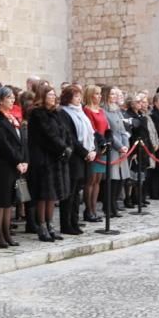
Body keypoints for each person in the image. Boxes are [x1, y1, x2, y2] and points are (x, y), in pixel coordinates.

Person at [27, 83, 70, 242]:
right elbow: (48, 135)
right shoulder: (37, 114)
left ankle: (51, 225)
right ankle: (42, 226)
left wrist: (67, 146)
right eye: (49, 95)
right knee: (43, 195)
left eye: (54, 94)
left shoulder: (56, 113)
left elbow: (64, 132)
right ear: (43, 97)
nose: (53, 97)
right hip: (42, 158)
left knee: (52, 195)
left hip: (55, 158)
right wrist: (62, 147)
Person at [0, 87, 26, 248]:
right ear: (0, 100)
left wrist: (24, 160)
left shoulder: (12, 117)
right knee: (0, 201)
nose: (12, 100)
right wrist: (17, 160)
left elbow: (21, 142)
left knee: (9, 201)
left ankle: (7, 232)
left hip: (14, 164)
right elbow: (3, 144)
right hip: (2, 165)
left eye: (13, 97)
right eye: (9, 98)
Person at [59, 85, 95, 234]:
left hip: (85, 156)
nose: (79, 98)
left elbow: (90, 132)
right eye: (75, 96)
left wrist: (93, 150)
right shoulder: (64, 113)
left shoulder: (81, 112)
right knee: (70, 192)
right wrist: (85, 152)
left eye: (79, 95)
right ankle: (66, 224)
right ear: (68, 98)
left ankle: (75, 221)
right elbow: (71, 137)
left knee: (77, 192)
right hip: (74, 157)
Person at [101, 85, 131, 216]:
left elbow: (123, 130)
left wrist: (126, 146)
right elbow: (109, 132)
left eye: (115, 94)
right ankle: (108, 206)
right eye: (111, 94)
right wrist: (119, 146)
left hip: (122, 149)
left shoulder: (117, 110)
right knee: (112, 179)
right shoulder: (104, 111)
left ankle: (115, 204)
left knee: (120, 179)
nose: (114, 96)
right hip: (113, 148)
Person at [82, 84, 109, 220]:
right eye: (96, 94)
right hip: (94, 147)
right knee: (90, 180)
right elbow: (92, 129)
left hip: (103, 148)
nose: (99, 96)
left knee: (98, 180)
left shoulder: (101, 110)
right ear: (90, 95)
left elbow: (106, 127)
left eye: (100, 94)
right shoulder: (87, 110)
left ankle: (94, 209)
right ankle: (88, 210)